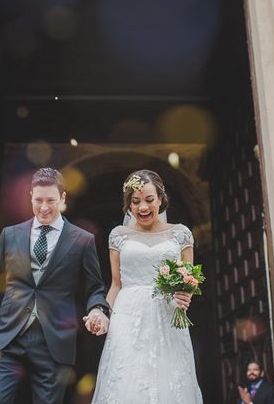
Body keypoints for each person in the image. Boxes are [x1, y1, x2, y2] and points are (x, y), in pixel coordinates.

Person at [0, 167, 110, 404]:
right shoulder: (10, 235)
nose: (44, 207)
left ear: (63, 198)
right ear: (30, 196)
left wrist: (97, 308)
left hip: (54, 342)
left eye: (51, 200)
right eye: (38, 200)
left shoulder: (83, 240)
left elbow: (94, 288)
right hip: (7, 337)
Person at [91, 169, 202, 403]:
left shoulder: (181, 234)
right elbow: (116, 285)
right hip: (128, 317)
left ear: (160, 200)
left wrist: (185, 295)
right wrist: (102, 312)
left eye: (149, 200)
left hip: (167, 316)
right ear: (128, 205)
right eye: (136, 201)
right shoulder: (118, 236)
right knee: (126, 381)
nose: (143, 207)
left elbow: (189, 280)